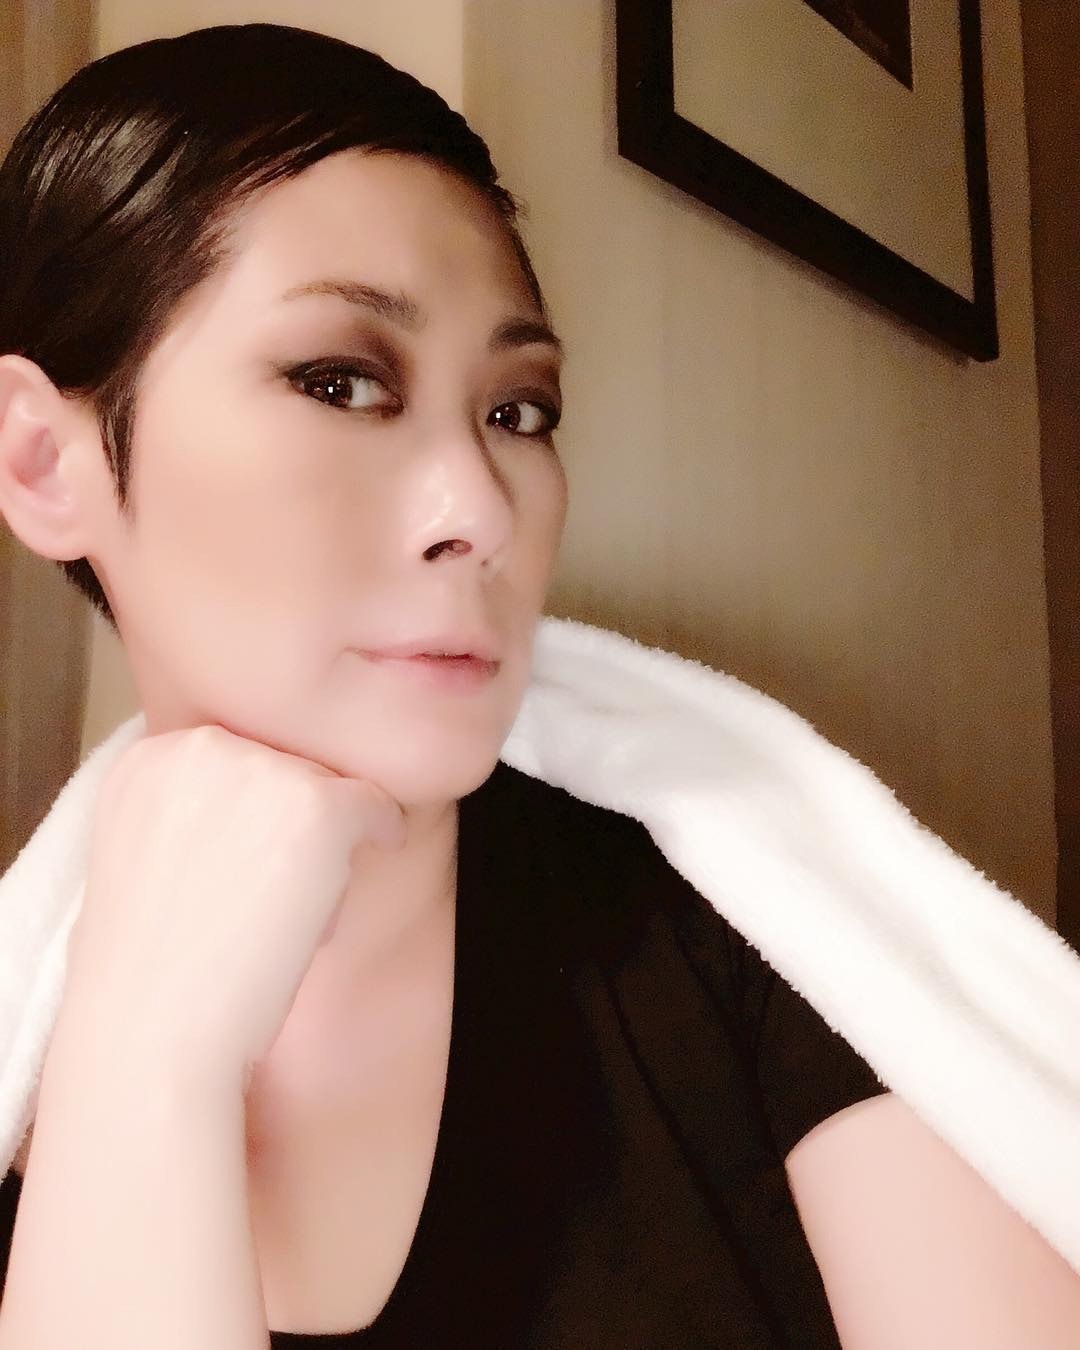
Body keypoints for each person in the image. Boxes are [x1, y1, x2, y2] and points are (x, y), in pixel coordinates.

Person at [0, 22, 1071, 1350]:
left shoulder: (763, 937)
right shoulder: (35, 1040)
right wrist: (144, 1059)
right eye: (340, 381)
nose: (482, 510)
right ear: (44, 462)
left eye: (518, 411)